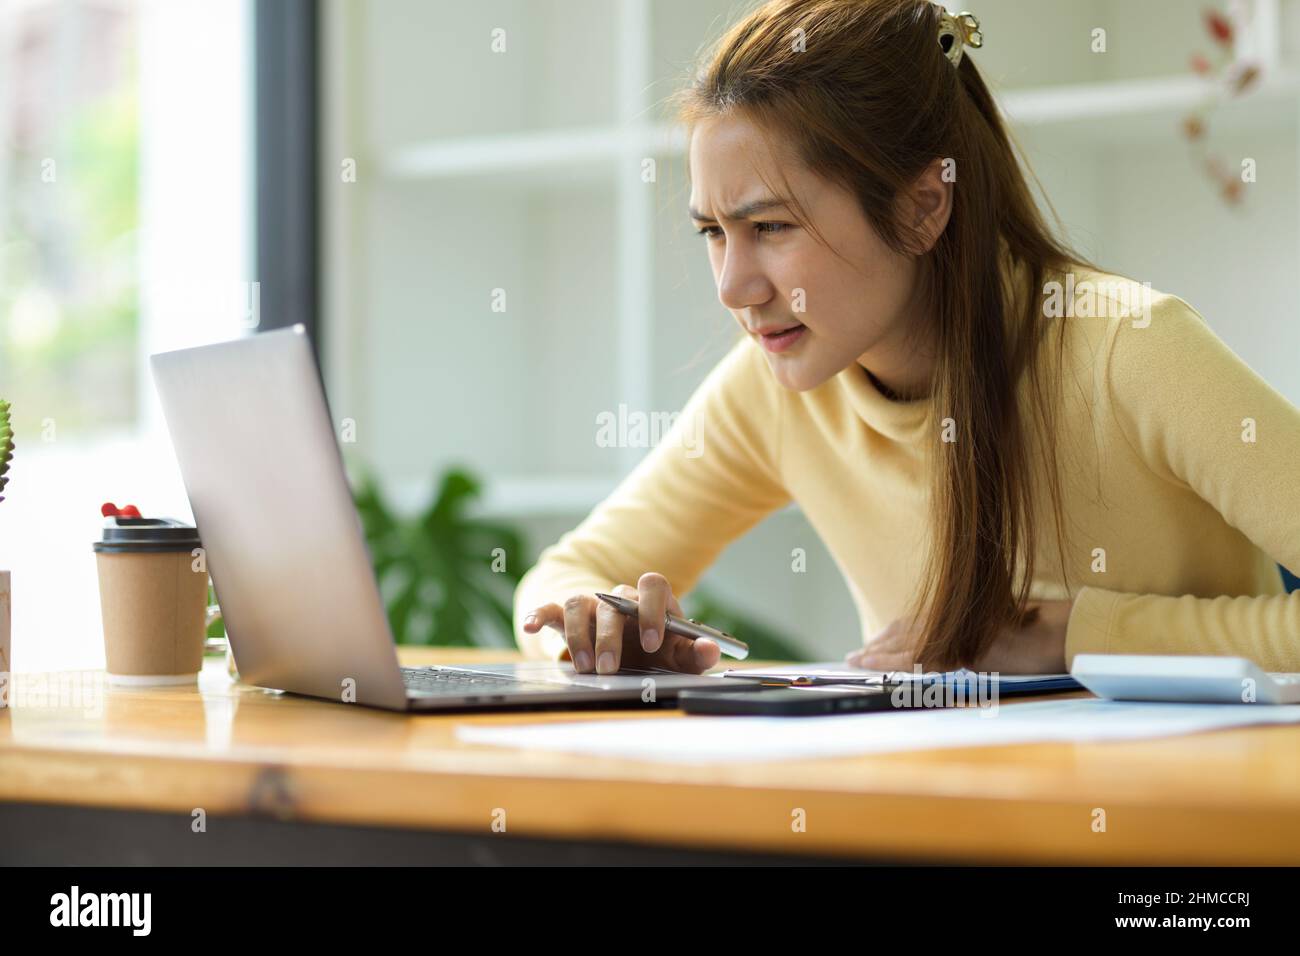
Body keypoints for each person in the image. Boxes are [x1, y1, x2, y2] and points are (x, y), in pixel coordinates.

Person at [516, 0, 1300, 676]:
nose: (732, 287)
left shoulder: (1131, 351)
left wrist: (1085, 638)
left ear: (924, 206)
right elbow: (562, 576)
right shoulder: (776, 384)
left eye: (772, 226)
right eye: (714, 233)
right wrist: (598, 630)